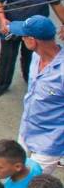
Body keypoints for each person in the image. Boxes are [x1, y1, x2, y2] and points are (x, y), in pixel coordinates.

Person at [0, 0, 64, 96]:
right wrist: (2, 20)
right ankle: (2, 83)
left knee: (31, 57)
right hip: (14, 27)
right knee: (8, 57)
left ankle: (30, 77)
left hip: (35, 30)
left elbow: (56, 4)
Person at [17, 16, 64, 174]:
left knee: (30, 187)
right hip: (26, 131)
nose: (22, 39)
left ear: (32, 40)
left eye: (23, 36)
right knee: (15, 176)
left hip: (48, 144)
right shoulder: (36, 57)